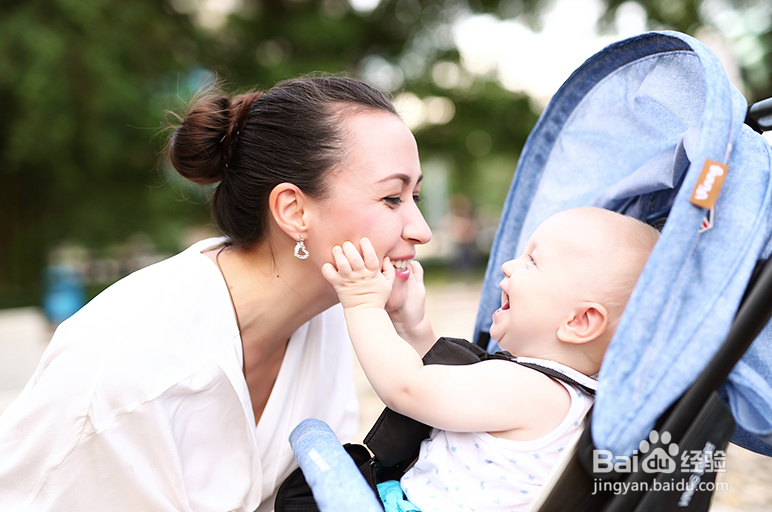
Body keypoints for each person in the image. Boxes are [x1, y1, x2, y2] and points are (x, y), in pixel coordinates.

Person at [0, 76, 431, 512]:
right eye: (392, 198)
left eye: (415, 196)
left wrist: (415, 334)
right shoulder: (133, 375)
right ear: (294, 210)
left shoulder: (331, 310)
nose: (422, 231)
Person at [322, 206, 660, 511]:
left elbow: (409, 388)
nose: (508, 266)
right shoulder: (566, 396)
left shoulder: (531, 391)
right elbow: (449, 381)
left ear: (579, 322)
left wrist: (363, 302)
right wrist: (415, 326)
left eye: (532, 261)